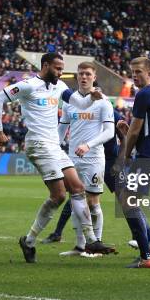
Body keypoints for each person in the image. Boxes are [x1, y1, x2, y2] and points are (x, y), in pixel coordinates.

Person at [0, 52, 115, 263]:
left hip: (55, 147)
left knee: (75, 190)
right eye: (57, 68)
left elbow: (81, 104)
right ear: (46, 65)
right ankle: (38, 240)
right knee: (61, 194)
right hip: (38, 145)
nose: (61, 73)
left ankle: (87, 240)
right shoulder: (28, 85)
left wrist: (93, 97)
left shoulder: (61, 88)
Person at [57, 63, 115, 256]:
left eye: (87, 74)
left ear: (94, 76)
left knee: (92, 202)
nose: (84, 77)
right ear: (77, 76)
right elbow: (62, 128)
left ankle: (95, 245)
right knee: (76, 202)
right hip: (72, 158)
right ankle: (81, 246)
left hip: (94, 158)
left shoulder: (103, 101)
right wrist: (54, 146)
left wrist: (88, 145)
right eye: (81, 74)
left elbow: (109, 132)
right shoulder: (69, 101)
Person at [114, 57, 150, 268]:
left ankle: (146, 256)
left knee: (127, 200)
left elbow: (135, 130)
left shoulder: (144, 93)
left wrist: (125, 155)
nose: (135, 76)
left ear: (149, 73)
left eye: (138, 72)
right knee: (131, 199)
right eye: (132, 72)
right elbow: (141, 129)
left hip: (149, 156)